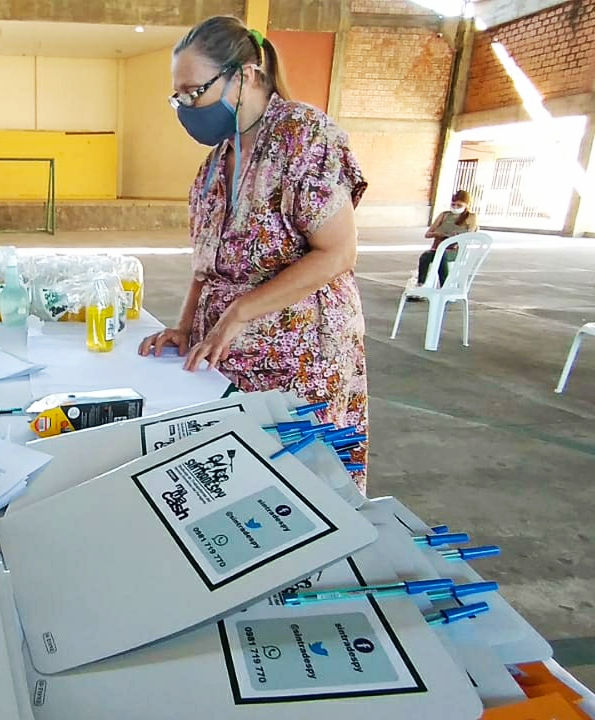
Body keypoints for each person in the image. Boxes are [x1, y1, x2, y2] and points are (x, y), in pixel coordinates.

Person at [137, 16, 370, 492]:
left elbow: (338, 253)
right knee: (238, 491)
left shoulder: (304, 137)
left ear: (243, 75)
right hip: (225, 358)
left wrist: (241, 312)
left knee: (300, 491)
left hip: (299, 360)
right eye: (177, 97)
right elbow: (205, 265)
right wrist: (184, 326)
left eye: (193, 92)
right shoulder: (216, 163)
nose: (185, 107)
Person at [414, 190, 478, 293]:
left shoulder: (471, 218)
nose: (455, 207)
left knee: (442, 256)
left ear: (466, 205)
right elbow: (428, 234)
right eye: (453, 204)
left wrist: (456, 237)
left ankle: (445, 286)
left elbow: (470, 236)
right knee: (425, 256)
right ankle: (421, 284)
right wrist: (439, 234)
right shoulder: (444, 215)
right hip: (438, 248)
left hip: (456, 251)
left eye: (459, 205)